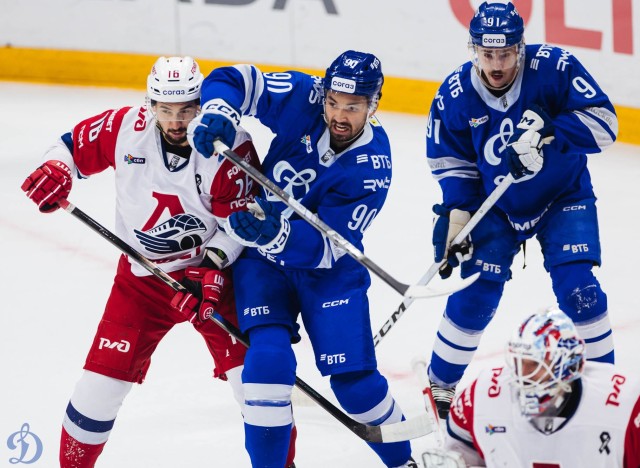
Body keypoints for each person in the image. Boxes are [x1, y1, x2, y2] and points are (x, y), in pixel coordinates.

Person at [21, 56, 296, 467]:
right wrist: (56, 168)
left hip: (215, 279)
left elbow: (241, 225)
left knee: (256, 389)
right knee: (98, 389)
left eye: (186, 109)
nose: (176, 121)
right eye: (165, 109)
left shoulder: (229, 145)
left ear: (201, 104)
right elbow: (69, 146)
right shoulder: (123, 128)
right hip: (141, 281)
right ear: (150, 104)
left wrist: (213, 265)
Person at [187, 50, 417, 467]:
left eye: (352, 107)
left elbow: (329, 246)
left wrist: (278, 234)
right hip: (264, 263)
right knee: (267, 364)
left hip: (328, 272)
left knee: (357, 388)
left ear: (374, 104)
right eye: (333, 102)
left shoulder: (372, 166)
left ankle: (406, 463)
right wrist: (219, 110)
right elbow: (234, 79)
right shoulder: (304, 96)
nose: (338, 115)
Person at [424, 1, 618, 420]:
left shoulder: (555, 67)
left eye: (506, 53)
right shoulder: (454, 95)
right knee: (475, 293)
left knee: (579, 289)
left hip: (562, 195)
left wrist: (551, 131)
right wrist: (458, 215)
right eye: (487, 54)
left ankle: (607, 389)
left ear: (520, 47)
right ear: (474, 49)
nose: (496, 65)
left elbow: (607, 125)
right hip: (494, 206)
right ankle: (440, 384)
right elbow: (452, 163)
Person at [420, 307, 640, 467]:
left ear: (569, 366)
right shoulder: (482, 397)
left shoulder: (626, 406)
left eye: (535, 364)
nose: (522, 375)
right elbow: (464, 454)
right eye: (519, 362)